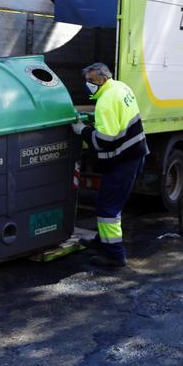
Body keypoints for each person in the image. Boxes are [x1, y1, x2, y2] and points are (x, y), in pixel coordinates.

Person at [71, 63, 149, 267]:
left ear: (103, 79)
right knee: (108, 202)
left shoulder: (105, 101)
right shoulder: (121, 87)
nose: (88, 85)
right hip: (134, 154)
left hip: (121, 160)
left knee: (108, 209)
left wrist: (83, 131)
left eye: (91, 81)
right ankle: (101, 242)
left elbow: (105, 139)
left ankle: (115, 254)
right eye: (86, 81)